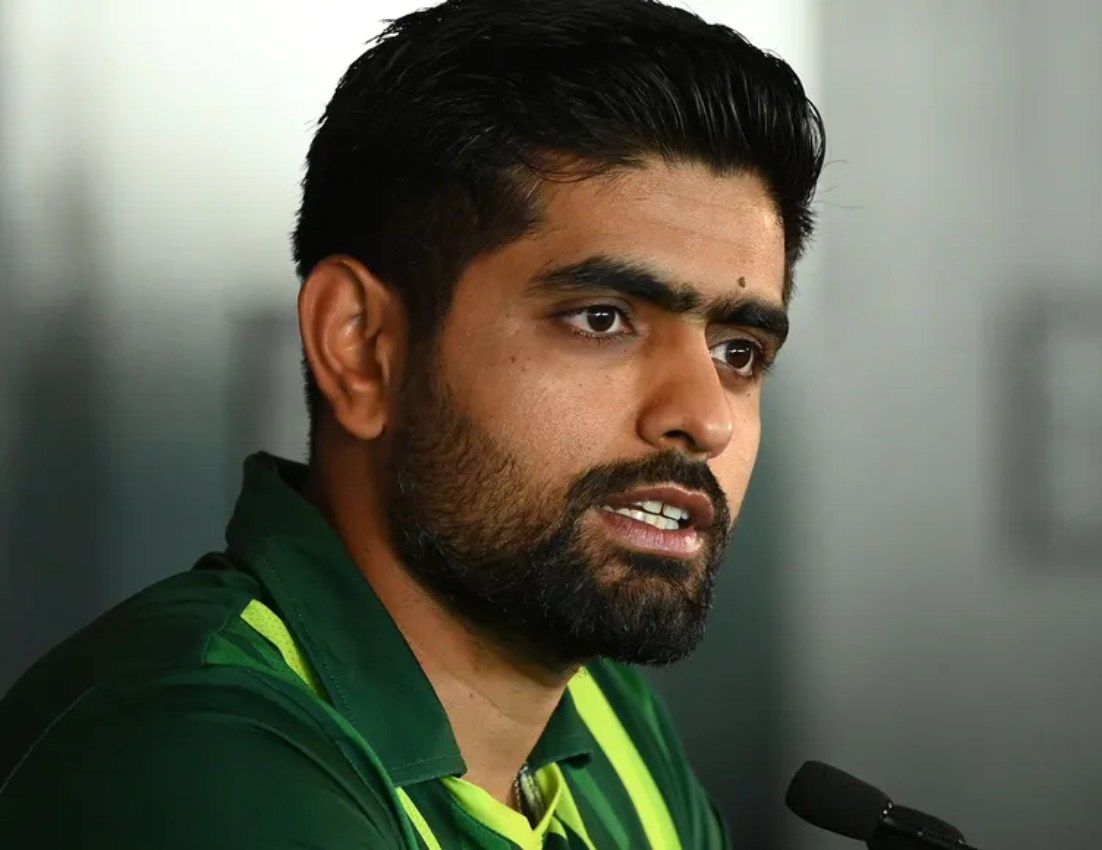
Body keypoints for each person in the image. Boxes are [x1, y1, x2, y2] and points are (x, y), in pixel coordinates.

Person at [0, 1, 825, 847]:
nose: (705, 419)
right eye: (602, 319)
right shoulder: (192, 754)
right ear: (361, 346)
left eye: (738, 351)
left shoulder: (608, 721)